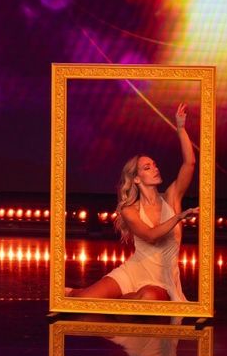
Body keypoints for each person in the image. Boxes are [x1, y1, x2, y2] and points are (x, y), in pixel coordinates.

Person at [72, 104, 200, 301]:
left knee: (148, 298)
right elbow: (150, 235)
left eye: (154, 165)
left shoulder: (172, 197)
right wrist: (179, 217)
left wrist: (181, 129)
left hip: (162, 280)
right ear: (137, 179)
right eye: (147, 167)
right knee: (82, 301)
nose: (155, 169)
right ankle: (75, 292)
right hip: (133, 271)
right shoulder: (129, 209)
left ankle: (115, 300)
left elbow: (189, 164)